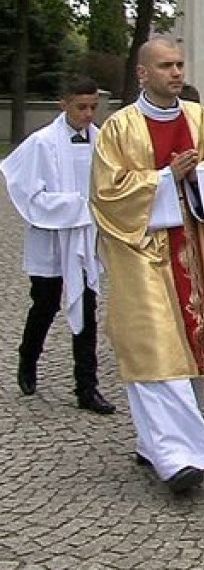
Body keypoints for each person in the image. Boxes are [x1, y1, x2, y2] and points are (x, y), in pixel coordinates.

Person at [91, 36, 204, 494]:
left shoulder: (198, 117)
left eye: (179, 64)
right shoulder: (120, 128)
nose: (176, 73)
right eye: (165, 66)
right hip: (142, 254)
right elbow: (105, 194)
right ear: (143, 73)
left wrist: (201, 175)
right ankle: (179, 458)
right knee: (157, 351)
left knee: (193, 349)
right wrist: (164, 179)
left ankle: (153, 444)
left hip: (192, 247)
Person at [2, 75, 115, 415]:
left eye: (94, 107)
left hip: (84, 238)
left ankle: (87, 386)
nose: (88, 114)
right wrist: (79, 206)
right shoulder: (42, 143)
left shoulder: (102, 141)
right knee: (46, 304)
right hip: (52, 236)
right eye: (81, 107)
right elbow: (29, 196)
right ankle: (28, 358)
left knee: (87, 307)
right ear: (62, 104)